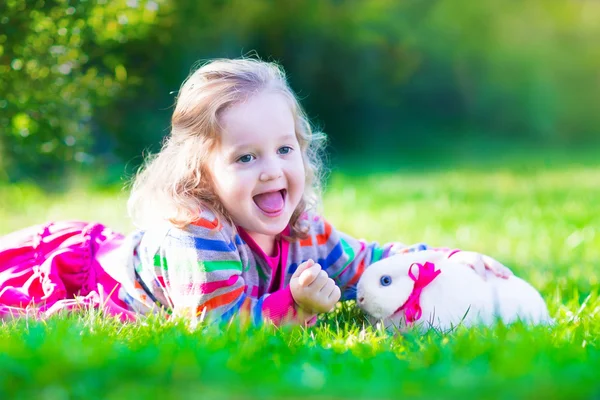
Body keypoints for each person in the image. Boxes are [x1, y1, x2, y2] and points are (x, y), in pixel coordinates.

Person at [0, 58, 511, 325]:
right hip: (88, 270)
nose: (271, 171)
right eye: (246, 157)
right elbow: (218, 326)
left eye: (284, 150)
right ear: (201, 173)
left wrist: (447, 260)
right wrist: (294, 304)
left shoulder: (300, 227)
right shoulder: (195, 233)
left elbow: (368, 261)